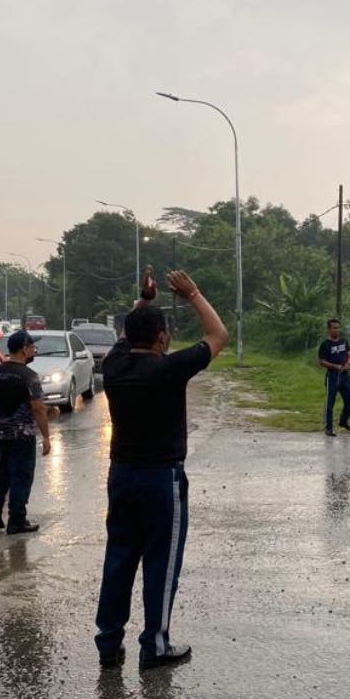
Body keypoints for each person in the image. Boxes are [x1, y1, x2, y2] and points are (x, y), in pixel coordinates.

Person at [95, 266, 229, 672]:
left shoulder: (114, 367)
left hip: (121, 476)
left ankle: (108, 644)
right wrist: (193, 293)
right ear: (162, 338)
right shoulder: (169, 369)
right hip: (161, 480)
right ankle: (154, 645)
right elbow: (219, 335)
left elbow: (127, 334)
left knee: (118, 558)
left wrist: (145, 300)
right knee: (161, 562)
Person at [0, 330, 51, 534]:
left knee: (2, 473)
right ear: (24, 349)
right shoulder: (29, 376)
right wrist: (46, 437)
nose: (33, 349)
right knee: (21, 476)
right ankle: (17, 521)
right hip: (21, 436)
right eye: (32, 346)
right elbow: (38, 408)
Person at [317, 317, 350, 437]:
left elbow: (349, 354)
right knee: (330, 403)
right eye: (334, 328)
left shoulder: (344, 341)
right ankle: (329, 428)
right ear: (329, 329)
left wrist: (348, 363)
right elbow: (321, 361)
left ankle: (343, 421)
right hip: (332, 376)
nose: (337, 330)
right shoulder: (325, 344)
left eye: (338, 328)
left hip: (344, 375)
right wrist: (334, 366)